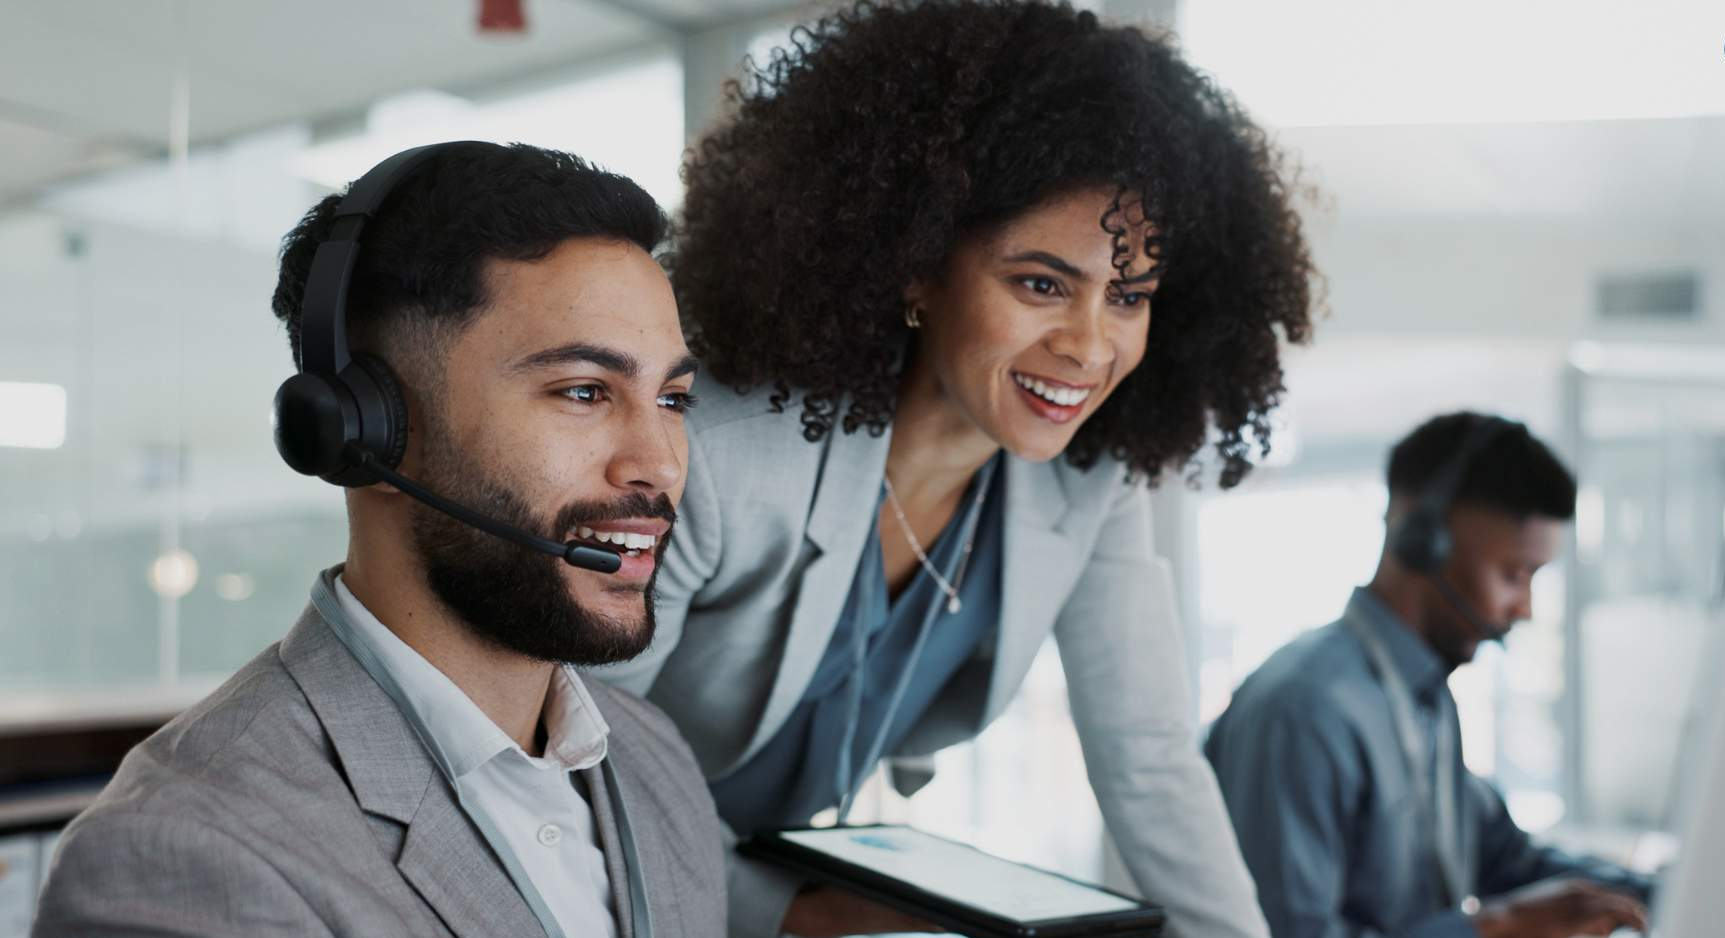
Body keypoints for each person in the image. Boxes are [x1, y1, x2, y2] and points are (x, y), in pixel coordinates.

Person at [590, 3, 1319, 937]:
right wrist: (790, 916)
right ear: (915, 267)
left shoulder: (1088, 481)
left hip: (788, 863)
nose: (1088, 346)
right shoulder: (720, 456)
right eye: (1041, 284)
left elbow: (1149, 758)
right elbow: (579, 752)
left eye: (1127, 296)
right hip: (611, 877)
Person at [33, 142, 725, 937]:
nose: (659, 465)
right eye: (582, 391)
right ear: (370, 434)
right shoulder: (188, 853)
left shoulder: (652, 759)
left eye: (672, 399)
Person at [1204, 412, 1654, 938]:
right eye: (1513, 575)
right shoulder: (1306, 710)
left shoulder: (1422, 699)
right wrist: (1493, 929)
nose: (1525, 608)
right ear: (1422, 538)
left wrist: (1667, 891)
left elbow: (1509, 860)